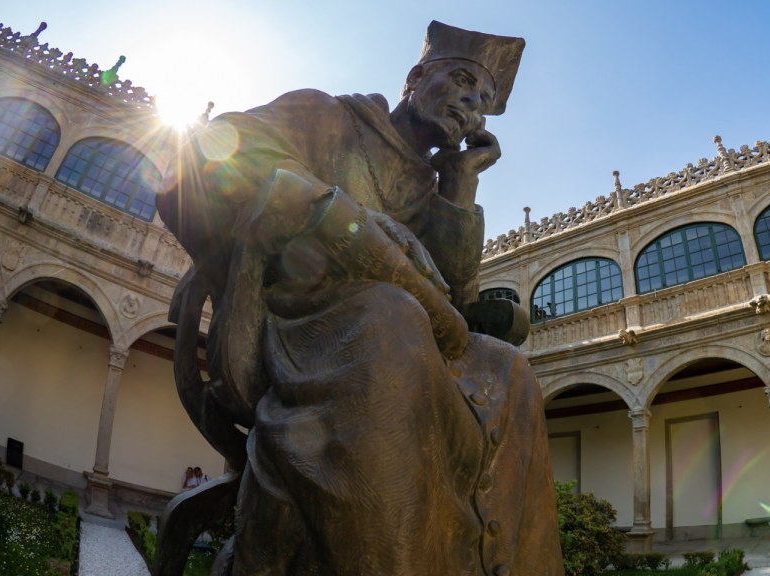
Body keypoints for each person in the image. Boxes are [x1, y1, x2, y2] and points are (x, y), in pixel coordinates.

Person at [156, 21, 564, 575]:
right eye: (463, 80)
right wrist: (339, 217)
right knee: (389, 317)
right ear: (415, 77)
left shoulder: (429, 184)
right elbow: (206, 156)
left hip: (402, 331)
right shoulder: (327, 115)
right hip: (296, 322)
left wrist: (460, 183)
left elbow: (453, 299)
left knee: (513, 372)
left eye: (483, 100)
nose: (472, 103)